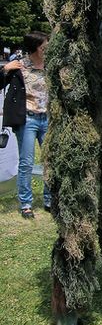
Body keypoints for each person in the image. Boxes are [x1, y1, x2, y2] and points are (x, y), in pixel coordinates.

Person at [0, 31, 50, 218]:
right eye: (44, 46)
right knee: (27, 163)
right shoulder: (20, 67)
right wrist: (5, 69)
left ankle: (49, 199)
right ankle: (26, 204)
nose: (47, 49)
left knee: (49, 162)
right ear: (36, 48)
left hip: (47, 118)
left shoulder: (50, 66)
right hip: (27, 119)